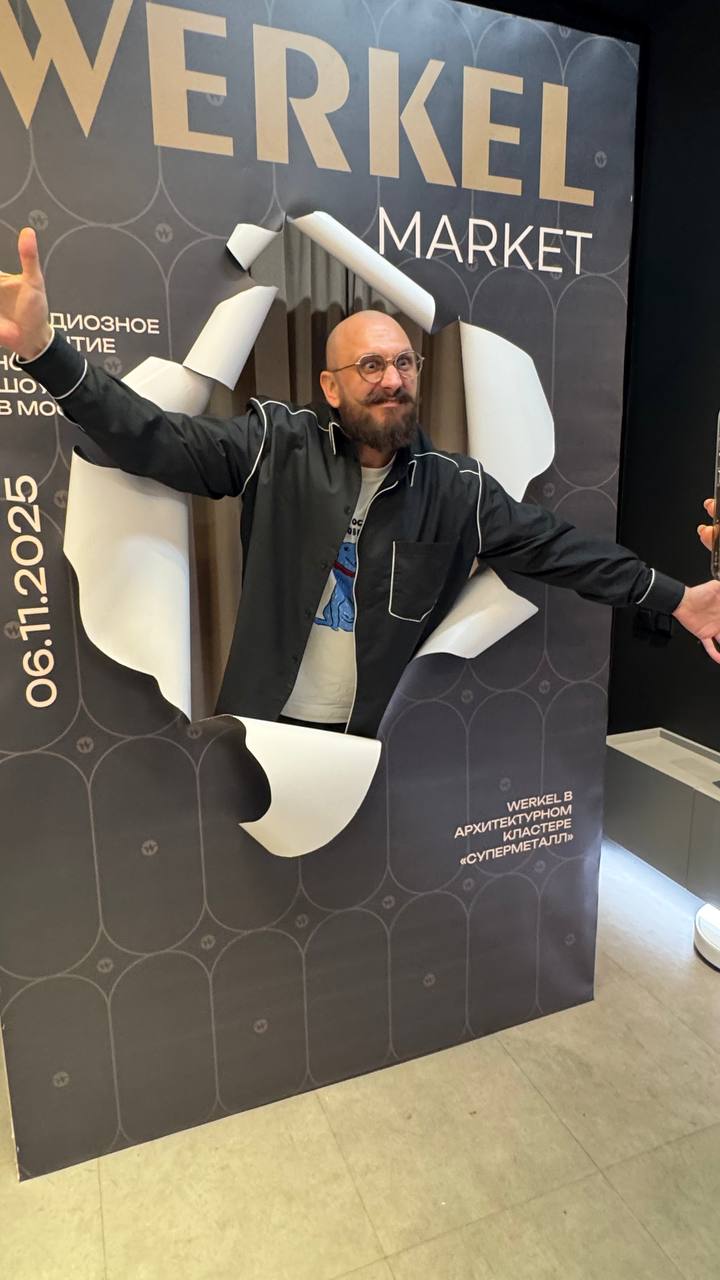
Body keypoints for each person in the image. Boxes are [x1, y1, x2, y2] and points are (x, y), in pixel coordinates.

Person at [3, 227, 720, 738]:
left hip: (376, 740)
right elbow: (153, 437)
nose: (392, 380)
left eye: (404, 363)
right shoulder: (276, 444)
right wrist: (44, 352)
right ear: (331, 386)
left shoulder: (458, 490)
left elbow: (563, 550)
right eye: (370, 366)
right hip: (262, 727)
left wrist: (679, 598)